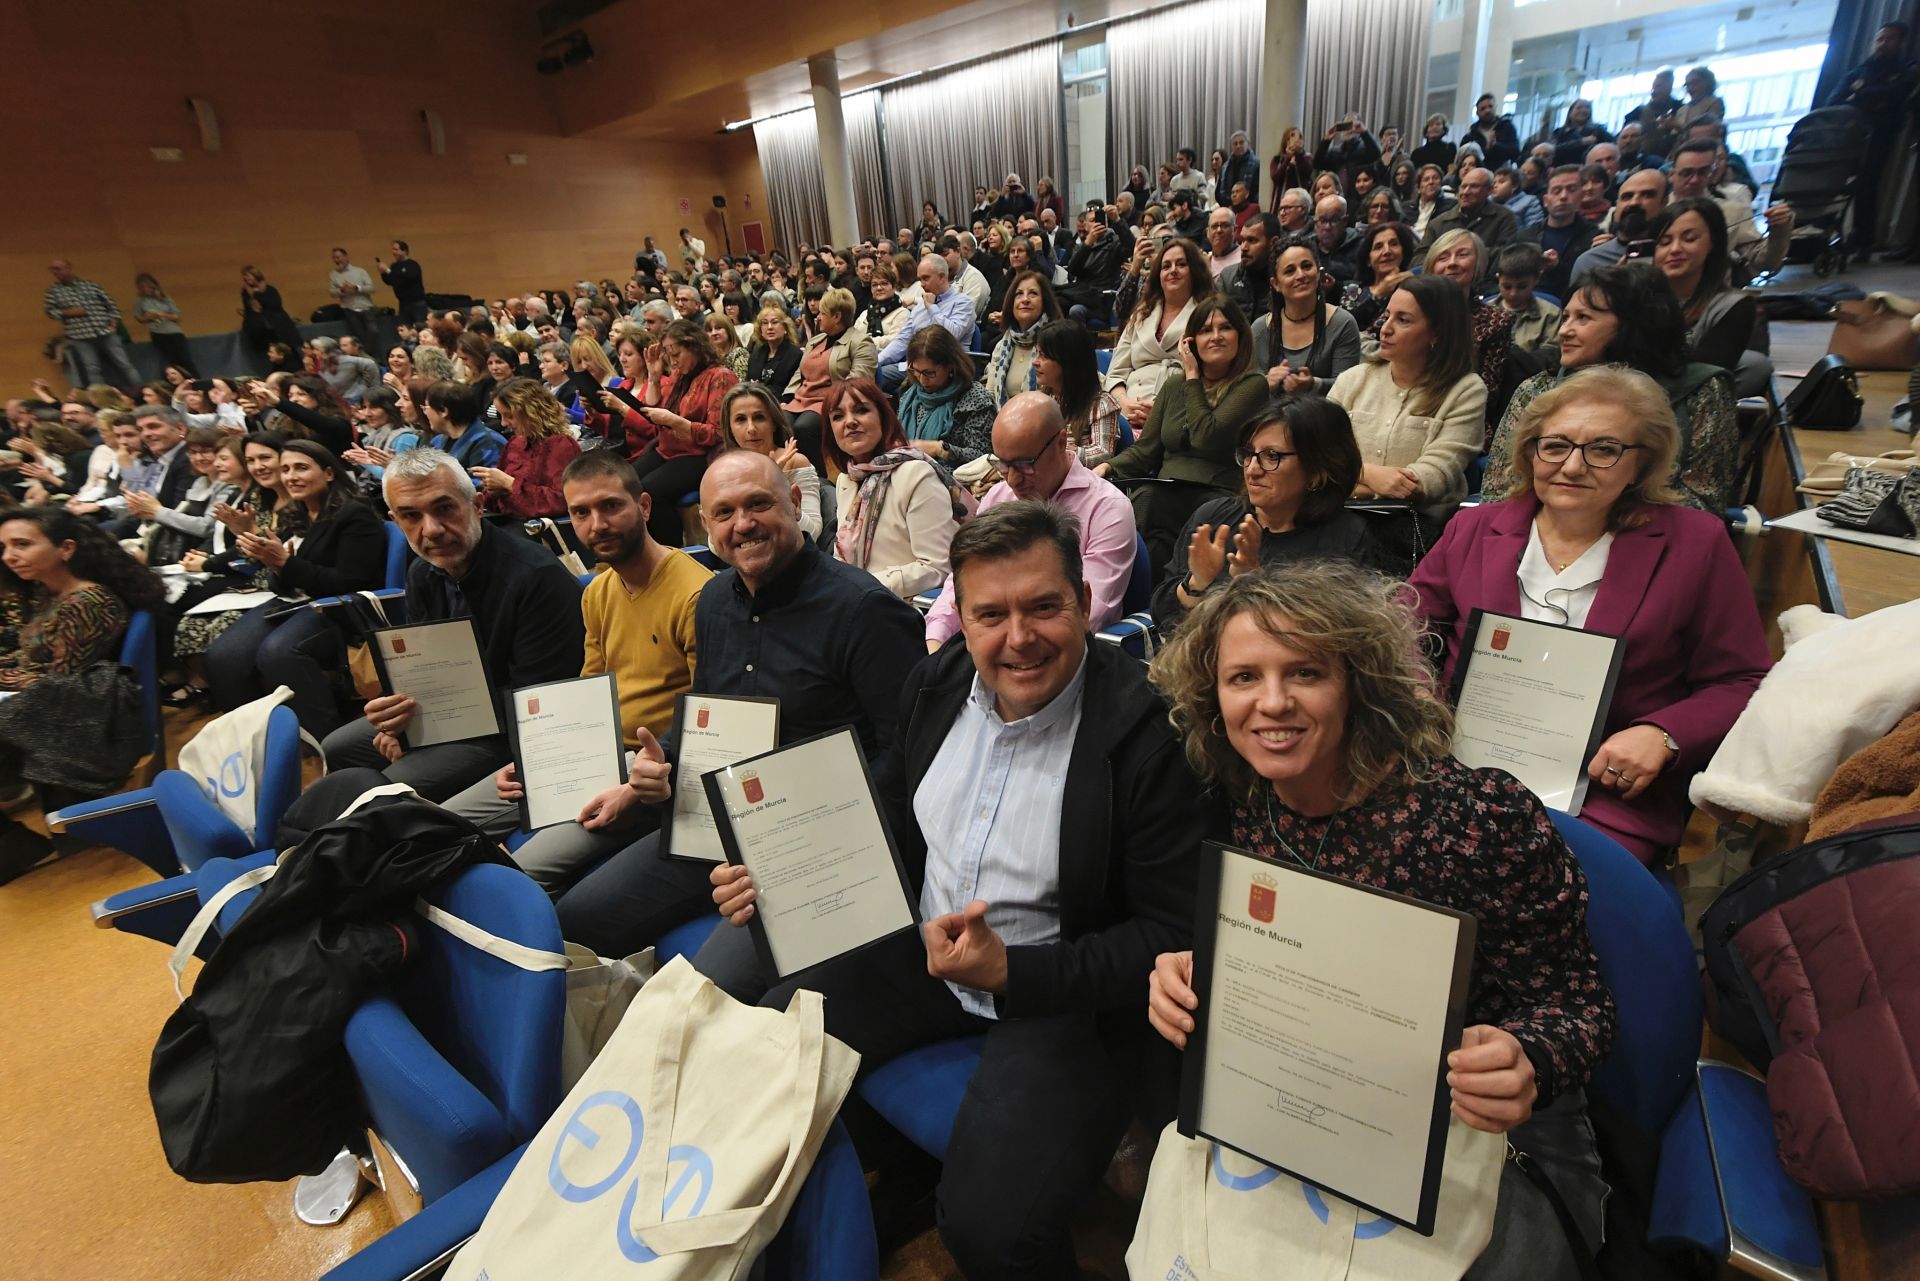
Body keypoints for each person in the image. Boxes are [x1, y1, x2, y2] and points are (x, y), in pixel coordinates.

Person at [702, 499, 1212, 1278]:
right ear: (960, 618)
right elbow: (888, 811)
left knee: (990, 1232)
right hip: (928, 946)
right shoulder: (937, 683)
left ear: (1084, 601)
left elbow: (1167, 934)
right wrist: (777, 866)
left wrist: (1013, 970)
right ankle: (886, 1183)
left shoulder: (1148, 732)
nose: (1019, 637)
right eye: (991, 614)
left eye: (1043, 606)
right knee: (772, 1046)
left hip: (1068, 991)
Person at [1145, 562, 1617, 1277]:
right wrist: (1194, 973)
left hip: (1481, 1122)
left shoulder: (1476, 818)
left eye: (1305, 672)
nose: (1272, 702)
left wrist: (1529, 1055)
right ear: (1214, 696)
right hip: (1312, 1091)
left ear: (1357, 682)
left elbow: (1581, 1003)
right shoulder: (1244, 799)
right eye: (1244, 677)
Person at [554, 449, 924, 952]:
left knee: (716, 987)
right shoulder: (713, 602)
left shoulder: (864, 610)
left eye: (758, 504)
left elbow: (906, 758)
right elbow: (710, 712)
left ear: (795, 503)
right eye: (724, 513)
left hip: (817, 840)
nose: (743, 524)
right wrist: (662, 759)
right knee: (575, 919)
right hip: (719, 821)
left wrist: (812, 836)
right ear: (706, 525)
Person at [1411, 365, 1770, 861]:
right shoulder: (1474, 528)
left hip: (1602, 794)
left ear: (1642, 463)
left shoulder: (1695, 543)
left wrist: (1664, 735)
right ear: (1529, 452)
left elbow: (1742, 678)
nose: (1573, 466)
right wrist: (1417, 692)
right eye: (1555, 446)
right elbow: (1403, 627)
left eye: (1603, 450)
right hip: (1455, 770)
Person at [446, 450, 709, 888]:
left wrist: (632, 789)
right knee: (438, 824)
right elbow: (588, 695)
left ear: (644, 506)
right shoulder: (598, 592)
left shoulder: (696, 595)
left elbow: (704, 721)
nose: (596, 525)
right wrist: (538, 759)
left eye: (610, 506)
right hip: (592, 754)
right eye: (580, 513)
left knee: (518, 875)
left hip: (651, 768)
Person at [321, 448, 586, 801]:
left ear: (477, 505)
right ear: (395, 521)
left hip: (518, 727)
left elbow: (542, 699)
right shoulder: (423, 571)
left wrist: (419, 732)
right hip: (456, 710)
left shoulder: (535, 577)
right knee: (337, 747)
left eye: (444, 509)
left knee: (386, 791)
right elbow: (425, 670)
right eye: (411, 516)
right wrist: (398, 718)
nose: (431, 530)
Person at [1486, 259, 1741, 512]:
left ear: (1633, 323)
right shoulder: (1538, 390)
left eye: (1583, 318)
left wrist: (1602, 520)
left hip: (1652, 530)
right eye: (1566, 317)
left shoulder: (1702, 391)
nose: (1564, 330)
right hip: (1542, 527)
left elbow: (1704, 500)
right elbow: (1499, 491)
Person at [0, 506, 166, 878]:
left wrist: (5, 678)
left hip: (83, 719)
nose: (9, 556)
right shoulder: (47, 593)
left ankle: (12, 843)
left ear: (66, 549)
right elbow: (31, 664)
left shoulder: (88, 603)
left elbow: (61, 685)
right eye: (5, 547)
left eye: (22, 545)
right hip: (44, 706)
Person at [1151, 395, 1386, 632]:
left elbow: (1344, 637)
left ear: (1317, 469)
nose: (1252, 470)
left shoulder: (1347, 538)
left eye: (1272, 456)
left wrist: (1255, 585)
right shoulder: (1214, 517)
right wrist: (1197, 584)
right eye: (1249, 454)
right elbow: (1164, 619)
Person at [924, 392, 1135, 647]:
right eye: (1003, 464)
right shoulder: (998, 497)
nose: (1012, 480)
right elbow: (961, 582)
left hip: (1061, 652)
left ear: (1061, 442)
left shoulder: (1107, 508)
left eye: (1025, 464)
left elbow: (1088, 613)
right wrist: (936, 638)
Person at [203, 441, 387, 732]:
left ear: (329, 473)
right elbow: (282, 580)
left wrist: (285, 563)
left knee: (277, 653)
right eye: (286, 469)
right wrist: (270, 558)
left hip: (339, 607)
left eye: (301, 468)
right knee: (222, 655)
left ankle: (324, 740)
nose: (291, 476)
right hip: (294, 601)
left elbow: (349, 582)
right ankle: (254, 738)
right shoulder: (295, 513)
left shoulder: (355, 514)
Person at [1099, 295, 1268, 570]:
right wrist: (1107, 467)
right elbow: (1145, 451)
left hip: (1218, 493)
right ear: (1191, 341)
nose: (1216, 336)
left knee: (1182, 510)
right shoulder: (1173, 386)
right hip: (1168, 493)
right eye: (1206, 330)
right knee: (1144, 505)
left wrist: (1191, 376)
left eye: (1225, 328)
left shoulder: (1252, 385)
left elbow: (1205, 435)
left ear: (1240, 336)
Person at [1329, 273, 1486, 540]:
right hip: (1339, 517)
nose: (1385, 328)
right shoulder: (1353, 380)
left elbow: (1429, 478)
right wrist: (1370, 475)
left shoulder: (1466, 391)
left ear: (1437, 333)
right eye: (1387, 315)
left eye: (1403, 320)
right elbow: (1316, 455)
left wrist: (1343, 485)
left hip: (1413, 530)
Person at [827, 378, 965, 597]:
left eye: (861, 410)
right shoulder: (846, 480)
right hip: (857, 601)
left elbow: (938, 568)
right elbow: (842, 557)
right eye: (838, 416)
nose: (850, 421)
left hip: (903, 607)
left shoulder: (916, 474)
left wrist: (861, 587)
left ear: (883, 417)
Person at [1652, 198, 1767, 393]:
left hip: (1689, 394)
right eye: (1664, 242)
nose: (1675, 249)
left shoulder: (1733, 305)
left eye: (1689, 239)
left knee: (1757, 365)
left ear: (1712, 243)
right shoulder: (1636, 293)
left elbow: (1707, 373)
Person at [1103, 238, 1211, 426]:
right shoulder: (1140, 314)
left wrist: (1165, 411)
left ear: (1195, 270)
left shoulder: (1209, 314)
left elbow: (1213, 379)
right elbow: (1115, 373)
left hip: (1180, 413)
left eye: (1181, 264)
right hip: (1128, 413)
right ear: (1158, 274)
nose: (1173, 270)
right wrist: (1124, 404)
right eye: (1166, 266)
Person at [1252, 237, 1363, 396]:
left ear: (1318, 272)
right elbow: (1249, 392)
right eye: (1290, 271)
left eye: (1306, 266)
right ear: (1276, 284)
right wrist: (1265, 383)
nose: (1301, 275)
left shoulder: (1342, 323)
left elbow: (1348, 389)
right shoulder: (1260, 329)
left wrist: (1313, 385)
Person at [1669, 139, 1793, 279]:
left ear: (1712, 174)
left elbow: (1765, 263)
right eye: (1687, 173)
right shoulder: (1656, 207)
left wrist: (1779, 232)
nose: (1694, 180)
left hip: (1714, 290)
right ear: (1672, 174)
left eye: (1703, 172)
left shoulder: (1732, 212)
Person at [723, 383, 823, 540]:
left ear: (774, 423)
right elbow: (715, 543)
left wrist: (774, 482)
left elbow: (812, 533)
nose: (751, 428)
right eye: (741, 419)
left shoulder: (795, 462)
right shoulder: (725, 470)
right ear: (730, 428)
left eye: (759, 417)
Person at [473, 377, 581, 520]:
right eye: (501, 416)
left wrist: (509, 484)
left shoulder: (560, 445)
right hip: (506, 521)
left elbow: (561, 501)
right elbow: (496, 502)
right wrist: (492, 489)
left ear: (530, 412)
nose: (504, 423)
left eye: (509, 416)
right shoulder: (515, 443)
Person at [1031, 319, 1125, 469]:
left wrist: (1059, 451)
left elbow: (1103, 454)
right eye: (1037, 353)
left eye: (1044, 356)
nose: (1035, 362)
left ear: (1068, 362)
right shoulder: (1040, 399)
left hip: (1079, 479)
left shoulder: (1101, 404)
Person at [878, 255, 978, 392]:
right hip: (915, 366)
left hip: (948, 367)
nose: (922, 284)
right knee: (874, 373)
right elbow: (902, 340)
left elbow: (951, 336)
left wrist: (932, 307)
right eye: (920, 279)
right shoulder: (920, 307)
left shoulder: (963, 303)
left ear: (941, 277)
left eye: (926, 278)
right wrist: (876, 361)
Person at [43, 260, 141, 389]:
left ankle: (142, 391)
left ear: (68, 267)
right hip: (80, 336)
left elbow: (110, 304)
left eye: (59, 268)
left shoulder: (89, 284)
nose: (56, 272)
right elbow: (50, 312)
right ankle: (101, 397)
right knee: (92, 370)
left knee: (125, 364)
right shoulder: (53, 291)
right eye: (53, 269)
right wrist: (68, 312)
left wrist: (114, 322)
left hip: (105, 331)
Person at [1570, 168, 1669, 285]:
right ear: (1616, 205)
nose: (1634, 202)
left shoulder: (1673, 256)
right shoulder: (1590, 261)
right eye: (1627, 197)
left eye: (1647, 195)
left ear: (1664, 203)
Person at [983, 271, 1063, 407]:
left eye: (1033, 293)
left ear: (1045, 302)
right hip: (1004, 417)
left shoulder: (1058, 342)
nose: (1025, 299)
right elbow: (990, 395)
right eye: (1019, 294)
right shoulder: (1001, 346)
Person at [1418, 166, 1517, 265]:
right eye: (1463, 187)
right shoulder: (1438, 223)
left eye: (1474, 187)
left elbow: (1507, 254)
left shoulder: (1504, 217)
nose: (1465, 192)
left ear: (1490, 190)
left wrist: (1466, 255)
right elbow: (1418, 258)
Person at [1534, 165, 1601, 301]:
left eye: (1571, 190)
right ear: (1545, 201)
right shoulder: (1525, 236)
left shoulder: (1594, 238)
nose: (1563, 196)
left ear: (1581, 196)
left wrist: (1557, 268)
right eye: (1556, 191)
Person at [1339, 221, 1417, 333]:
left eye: (1393, 244)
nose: (1386, 251)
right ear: (1368, 260)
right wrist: (1379, 293)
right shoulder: (1353, 289)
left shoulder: (1412, 291)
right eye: (1378, 247)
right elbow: (1343, 327)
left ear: (1403, 252)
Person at [1495, 242, 1563, 353]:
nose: (1513, 293)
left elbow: (1550, 354)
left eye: (1522, 287)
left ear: (1537, 279)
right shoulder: (1484, 311)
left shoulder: (1550, 314)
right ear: (1498, 279)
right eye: (1507, 287)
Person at [1218, 212, 1278, 323]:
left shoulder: (1284, 279)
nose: (1244, 247)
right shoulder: (1227, 277)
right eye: (1242, 241)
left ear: (1273, 243)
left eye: (1252, 240)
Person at [131, 273, 195, 377]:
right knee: (170, 361)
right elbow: (139, 318)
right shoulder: (139, 301)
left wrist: (162, 314)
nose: (146, 288)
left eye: (148, 285)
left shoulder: (165, 299)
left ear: (154, 285)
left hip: (174, 332)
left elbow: (177, 316)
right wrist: (149, 317)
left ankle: (194, 379)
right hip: (158, 333)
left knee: (185, 359)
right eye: (142, 286)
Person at [326, 247, 379, 350]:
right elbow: (332, 293)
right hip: (349, 309)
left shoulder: (360, 271)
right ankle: (367, 355)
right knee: (359, 336)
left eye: (338, 257)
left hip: (366, 307)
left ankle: (367, 353)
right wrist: (342, 290)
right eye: (334, 258)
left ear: (346, 257)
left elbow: (372, 288)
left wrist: (356, 288)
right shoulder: (333, 275)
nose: (336, 260)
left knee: (374, 331)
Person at [376, 240, 428, 326]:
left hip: (417, 303)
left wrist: (388, 271)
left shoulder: (412, 264)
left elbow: (408, 278)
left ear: (405, 251)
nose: (393, 252)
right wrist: (383, 273)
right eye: (393, 250)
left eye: (396, 250)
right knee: (405, 327)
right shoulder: (394, 266)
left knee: (420, 326)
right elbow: (391, 281)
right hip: (403, 303)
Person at [1463, 93, 1522, 168]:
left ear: (1495, 107)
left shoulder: (1507, 127)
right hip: (1478, 171)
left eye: (1490, 106)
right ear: (1477, 113)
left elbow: (1515, 151)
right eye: (1483, 108)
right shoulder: (1471, 134)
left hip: (1502, 171)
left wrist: (1495, 145)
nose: (1487, 110)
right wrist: (1487, 149)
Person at [1550, 99, 1612, 166]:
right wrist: (1581, 142)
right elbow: (1552, 149)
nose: (1583, 110)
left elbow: (1612, 144)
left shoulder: (1598, 130)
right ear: (1570, 112)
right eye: (1579, 107)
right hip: (1563, 168)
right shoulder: (1559, 132)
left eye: (1587, 107)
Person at [1493, 165, 1544, 230]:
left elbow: (1535, 230)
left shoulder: (1529, 201)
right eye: (1494, 183)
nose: (1495, 186)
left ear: (1514, 186)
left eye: (1501, 182)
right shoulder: (1488, 202)